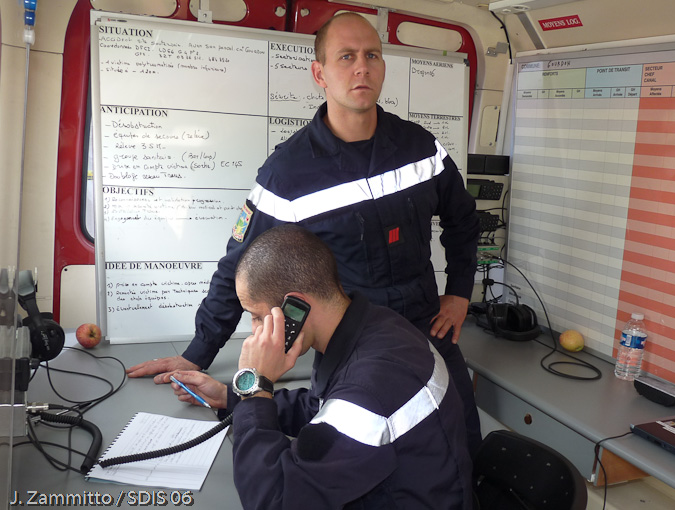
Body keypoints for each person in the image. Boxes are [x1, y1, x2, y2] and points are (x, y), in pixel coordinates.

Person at [127, 12, 481, 454]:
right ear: (320, 74)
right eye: (346, 57)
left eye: (372, 55)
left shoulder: (421, 148)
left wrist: (460, 292)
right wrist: (198, 353)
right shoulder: (288, 173)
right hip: (351, 348)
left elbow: (463, 221)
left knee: (461, 445)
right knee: (360, 463)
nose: (362, 68)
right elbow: (238, 265)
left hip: (428, 333)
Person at [165, 225, 474, 509]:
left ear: (294, 307)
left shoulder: (370, 388)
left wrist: (254, 389)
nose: (254, 332)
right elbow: (326, 408)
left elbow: (274, 500)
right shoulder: (376, 326)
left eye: (257, 316)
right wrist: (229, 397)